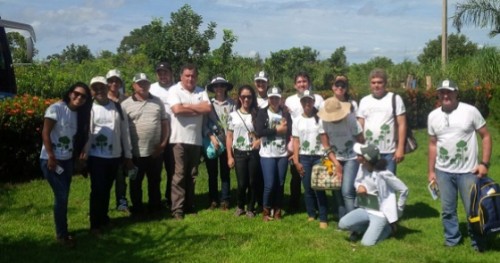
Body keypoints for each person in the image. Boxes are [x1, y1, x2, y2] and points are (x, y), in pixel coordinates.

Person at [427, 79, 491, 252]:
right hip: (443, 172)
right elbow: (433, 144)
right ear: (438, 94)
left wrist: (484, 163)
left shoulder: (470, 111)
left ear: (456, 93)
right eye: (442, 92)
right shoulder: (433, 116)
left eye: (449, 92)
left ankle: (478, 242)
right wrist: (431, 171)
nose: (445, 95)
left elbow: (485, 136)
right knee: (447, 210)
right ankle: (452, 240)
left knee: (474, 211)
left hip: (468, 172)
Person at [40, 82, 92, 247]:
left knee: (63, 196)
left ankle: (62, 231)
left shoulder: (79, 114)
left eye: (84, 96)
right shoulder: (56, 109)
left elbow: (77, 137)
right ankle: (62, 235)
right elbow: (45, 133)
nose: (79, 98)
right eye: (76, 93)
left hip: (67, 160)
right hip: (52, 159)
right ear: (70, 93)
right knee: (61, 197)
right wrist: (50, 156)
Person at [83, 76, 133, 236]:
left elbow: (125, 132)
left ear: (107, 88)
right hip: (96, 156)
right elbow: (84, 133)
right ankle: (95, 224)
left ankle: (103, 218)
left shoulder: (117, 108)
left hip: (114, 156)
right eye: (95, 88)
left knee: (107, 188)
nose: (99, 91)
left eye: (102, 87)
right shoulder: (88, 108)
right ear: (92, 91)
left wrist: (128, 154)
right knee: (97, 189)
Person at [338, 143, 409, 246]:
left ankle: (388, 229)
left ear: (365, 159)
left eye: (359, 155)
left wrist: (399, 210)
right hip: (366, 208)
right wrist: (359, 187)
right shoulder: (362, 167)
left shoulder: (384, 174)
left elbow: (404, 189)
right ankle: (369, 227)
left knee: (366, 244)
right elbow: (357, 182)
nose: (356, 156)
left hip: (380, 214)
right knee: (342, 224)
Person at [121, 73, 169, 216]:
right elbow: (123, 131)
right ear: (134, 85)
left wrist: (163, 144)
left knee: (154, 181)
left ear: (149, 85)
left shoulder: (158, 102)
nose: (143, 86)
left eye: (145, 83)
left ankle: (155, 206)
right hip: (135, 152)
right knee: (135, 182)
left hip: (155, 151)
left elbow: (165, 123)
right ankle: (137, 209)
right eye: (139, 83)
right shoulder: (125, 104)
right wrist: (127, 154)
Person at [291, 90, 341, 229]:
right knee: (307, 187)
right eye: (304, 101)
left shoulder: (320, 118)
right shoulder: (297, 120)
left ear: (313, 102)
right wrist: (296, 160)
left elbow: (327, 137)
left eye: (309, 101)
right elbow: (296, 141)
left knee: (319, 187)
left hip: (320, 157)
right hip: (305, 157)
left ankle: (323, 217)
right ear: (301, 102)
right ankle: (311, 214)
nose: (307, 103)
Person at [168, 64, 211, 220]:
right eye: (187, 75)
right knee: (179, 175)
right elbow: (177, 110)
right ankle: (177, 210)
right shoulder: (174, 90)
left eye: (193, 76)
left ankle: (190, 205)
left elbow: (207, 109)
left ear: (196, 77)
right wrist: (196, 108)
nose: (190, 78)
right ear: (181, 77)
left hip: (195, 140)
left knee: (192, 174)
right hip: (178, 139)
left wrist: (187, 106)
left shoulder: (201, 91)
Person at [318, 97, 363, 218]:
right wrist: (336, 164)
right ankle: (342, 219)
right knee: (336, 189)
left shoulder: (351, 119)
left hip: (352, 157)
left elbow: (361, 139)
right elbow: (326, 145)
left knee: (347, 191)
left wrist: (362, 156)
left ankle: (354, 223)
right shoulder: (322, 122)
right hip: (334, 156)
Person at [285, 72, 324, 211]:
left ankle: (319, 206)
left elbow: (323, 119)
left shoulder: (318, 99)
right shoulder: (289, 100)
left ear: (309, 83)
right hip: (295, 139)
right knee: (296, 174)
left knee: (316, 176)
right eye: (299, 82)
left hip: (314, 141)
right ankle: (295, 203)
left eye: (305, 81)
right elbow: (287, 121)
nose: (302, 84)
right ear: (295, 85)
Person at [357, 68, 407, 174]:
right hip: (368, 152)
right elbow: (359, 126)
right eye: (373, 82)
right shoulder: (364, 101)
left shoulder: (395, 99)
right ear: (370, 84)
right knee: (370, 186)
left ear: (385, 83)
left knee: (387, 186)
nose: (376, 85)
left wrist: (400, 148)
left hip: (388, 152)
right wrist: (359, 149)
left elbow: (402, 124)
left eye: (380, 82)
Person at [256, 86, 292, 221]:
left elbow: (290, 131)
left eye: (277, 98)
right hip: (267, 154)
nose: (274, 100)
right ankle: (266, 210)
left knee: (280, 183)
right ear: (268, 99)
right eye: (272, 98)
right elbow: (259, 131)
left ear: (280, 99)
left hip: (282, 154)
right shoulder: (262, 113)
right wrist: (276, 130)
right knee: (270, 184)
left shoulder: (285, 113)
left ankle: (277, 209)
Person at [227, 85, 261, 218]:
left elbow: (262, 132)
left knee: (253, 182)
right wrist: (229, 156)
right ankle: (240, 205)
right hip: (239, 152)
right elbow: (229, 136)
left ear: (253, 98)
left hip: (253, 152)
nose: (246, 99)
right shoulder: (233, 115)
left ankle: (251, 208)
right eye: (243, 96)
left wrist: (259, 141)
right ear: (239, 98)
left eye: (249, 97)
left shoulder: (257, 114)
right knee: (242, 183)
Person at [203, 76, 235, 210]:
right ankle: (213, 200)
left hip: (227, 142)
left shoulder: (232, 104)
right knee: (212, 173)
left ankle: (225, 199)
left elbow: (234, 124)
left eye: (222, 85)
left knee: (225, 173)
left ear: (226, 87)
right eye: (216, 86)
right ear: (213, 89)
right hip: (212, 143)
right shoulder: (208, 104)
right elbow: (204, 125)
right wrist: (212, 138)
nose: (219, 88)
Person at [149, 62, 175, 208]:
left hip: (175, 135)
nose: (163, 75)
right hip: (157, 136)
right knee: (155, 172)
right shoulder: (151, 89)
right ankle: (155, 202)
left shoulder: (178, 88)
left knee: (173, 170)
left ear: (171, 73)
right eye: (160, 73)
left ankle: (171, 199)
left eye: (165, 72)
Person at [105, 69, 129, 213]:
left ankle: (122, 201)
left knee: (121, 176)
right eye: (111, 81)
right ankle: (103, 203)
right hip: (104, 143)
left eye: (117, 81)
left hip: (121, 142)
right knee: (105, 177)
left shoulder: (125, 100)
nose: (114, 83)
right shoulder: (101, 99)